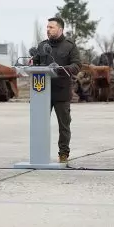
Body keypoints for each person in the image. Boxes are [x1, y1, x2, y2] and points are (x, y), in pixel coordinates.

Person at [32, 17, 81, 163]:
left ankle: (63, 153)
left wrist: (62, 69)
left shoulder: (69, 46)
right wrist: (33, 60)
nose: (48, 30)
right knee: (39, 124)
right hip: (41, 92)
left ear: (60, 29)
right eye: (47, 27)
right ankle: (39, 153)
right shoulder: (42, 46)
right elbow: (36, 65)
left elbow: (77, 65)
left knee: (64, 125)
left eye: (51, 27)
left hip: (61, 92)